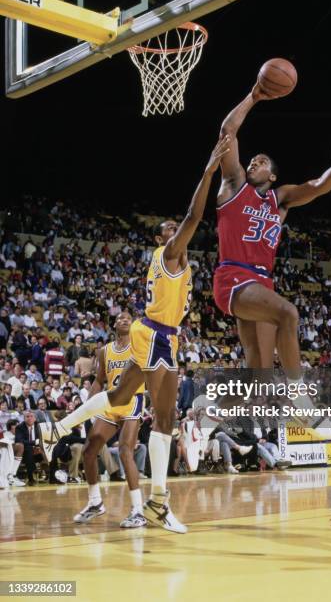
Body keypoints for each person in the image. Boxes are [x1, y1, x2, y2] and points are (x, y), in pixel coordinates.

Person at [38, 136, 231, 534]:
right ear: (164, 239)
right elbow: (195, 216)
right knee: (164, 417)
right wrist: (209, 170)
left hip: (164, 335)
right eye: (169, 230)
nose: (176, 231)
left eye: (174, 228)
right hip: (157, 334)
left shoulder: (174, 263)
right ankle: (159, 502)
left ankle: (56, 428)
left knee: (123, 399)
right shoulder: (173, 253)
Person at [213, 81, 331, 429]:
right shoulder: (234, 184)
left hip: (261, 283)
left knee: (258, 372)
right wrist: (253, 96)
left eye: (262, 161)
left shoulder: (279, 199)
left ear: (272, 174)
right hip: (234, 277)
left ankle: (203, 418)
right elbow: (228, 131)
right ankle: (303, 403)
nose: (254, 161)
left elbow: (318, 186)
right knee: (289, 313)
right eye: (253, 159)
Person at [73, 311, 147, 529]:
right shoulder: (104, 351)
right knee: (89, 450)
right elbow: (98, 381)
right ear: (114, 325)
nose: (124, 320)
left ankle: (138, 510)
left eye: (128, 319)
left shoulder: (139, 346)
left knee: (126, 450)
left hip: (133, 399)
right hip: (110, 401)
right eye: (120, 318)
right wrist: (86, 406)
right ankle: (95, 502)